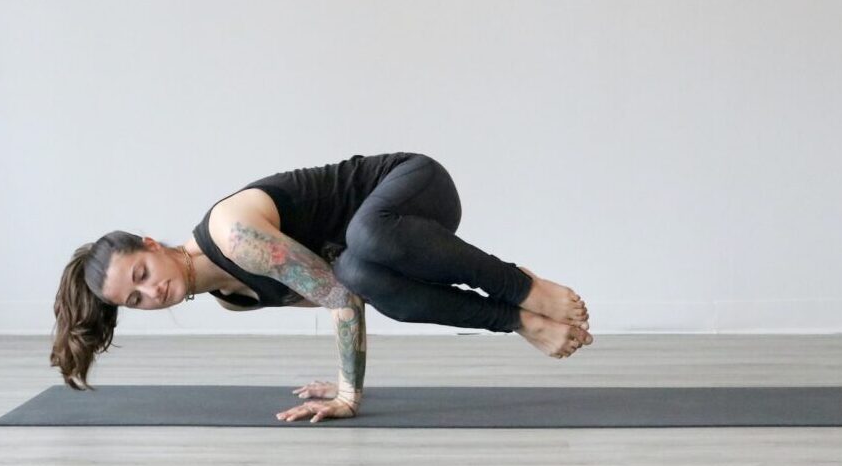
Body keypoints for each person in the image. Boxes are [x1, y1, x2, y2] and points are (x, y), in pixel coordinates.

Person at [51, 152, 593, 422]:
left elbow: (334, 302)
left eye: (142, 275)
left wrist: (348, 394)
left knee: (365, 237)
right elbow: (346, 296)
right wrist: (340, 382)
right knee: (359, 271)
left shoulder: (231, 235)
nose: (152, 293)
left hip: (413, 188)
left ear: (150, 243)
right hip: (391, 248)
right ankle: (519, 320)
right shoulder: (233, 297)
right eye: (135, 300)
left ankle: (522, 288)